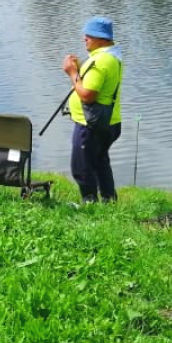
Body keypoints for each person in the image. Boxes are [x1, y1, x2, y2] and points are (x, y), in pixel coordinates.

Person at [60, 16, 123, 203]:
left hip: (90, 126)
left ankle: (90, 205)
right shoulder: (110, 56)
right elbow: (97, 83)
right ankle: (109, 201)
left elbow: (87, 95)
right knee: (100, 162)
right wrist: (80, 68)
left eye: (89, 35)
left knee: (82, 167)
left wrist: (72, 73)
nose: (84, 38)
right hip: (109, 122)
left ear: (101, 38)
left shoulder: (101, 61)